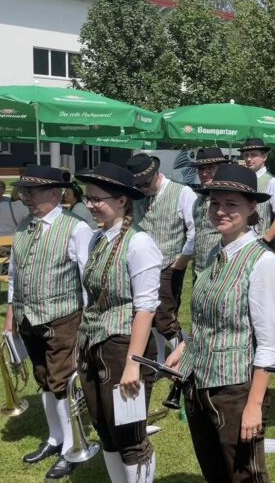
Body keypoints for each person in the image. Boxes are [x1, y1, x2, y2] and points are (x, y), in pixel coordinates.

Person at [166, 164, 275, 481]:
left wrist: (254, 405)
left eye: (231, 204)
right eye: (215, 203)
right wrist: (186, 347)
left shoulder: (263, 262)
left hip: (235, 389)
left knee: (244, 475)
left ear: (250, 208)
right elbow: (207, 319)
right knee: (215, 473)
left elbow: (270, 345)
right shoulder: (216, 253)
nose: (220, 211)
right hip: (199, 383)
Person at [2, 166, 93, 479]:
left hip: (64, 317)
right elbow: (15, 275)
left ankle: (73, 446)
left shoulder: (76, 228)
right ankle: (55, 438)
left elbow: (87, 279)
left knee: (62, 381)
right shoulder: (24, 227)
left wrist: (87, 321)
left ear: (56, 194)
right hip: (29, 316)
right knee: (43, 378)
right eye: (25, 191)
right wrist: (10, 318)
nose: (26, 197)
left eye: (34, 191)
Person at [74, 162, 163, 482]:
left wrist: (132, 365)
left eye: (98, 199)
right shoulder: (99, 240)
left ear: (122, 201)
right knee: (106, 431)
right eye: (89, 198)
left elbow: (145, 308)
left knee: (130, 436)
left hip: (124, 347)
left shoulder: (140, 244)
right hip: (95, 344)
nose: (91, 205)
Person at [126, 153, 197, 365]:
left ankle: (184, 358)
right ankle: (158, 359)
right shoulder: (137, 195)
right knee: (146, 312)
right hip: (142, 264)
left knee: (165, 316)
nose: (143, 188)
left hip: (170, 263)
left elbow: (194, 230)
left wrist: (181, 261)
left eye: (146, 183)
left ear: (157, 174)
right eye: (138, 185)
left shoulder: (182, 192)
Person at [240, 139, 275, 247]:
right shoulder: (242, 181)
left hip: (262, 244)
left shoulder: (273, 182)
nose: (248, 159)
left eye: (253, 155)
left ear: (264, 157)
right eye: (246, 155)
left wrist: (265, 240)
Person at [191, 147, 230, 275]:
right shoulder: (198, 200)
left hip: (222, 268)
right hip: (199, 269)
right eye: (201, 168)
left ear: (221, 168)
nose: (204, 173)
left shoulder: (231, 200)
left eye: (210, 168)